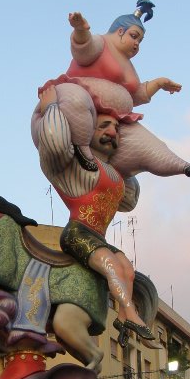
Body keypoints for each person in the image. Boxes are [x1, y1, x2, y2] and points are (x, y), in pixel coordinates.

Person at [32, 0, 190, 184]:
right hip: (72, 101)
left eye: (140, 41)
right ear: (120, 31)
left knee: (145, 140)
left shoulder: (129, 66)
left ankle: (182, 166)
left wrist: (158, 83)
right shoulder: (101, 44)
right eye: (134, 37)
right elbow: (84, 49)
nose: (137, 44)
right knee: (77, 101)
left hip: (114, 120)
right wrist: (81, 30)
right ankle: (83, 150)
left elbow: (136, 95)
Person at [35, 85, 159, 348]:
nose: (112, 132)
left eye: (115, 128)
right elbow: (55, 146)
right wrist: (51, 108)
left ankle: (125, 317)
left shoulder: (113, 173)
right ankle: (131, 314)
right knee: (112, 266)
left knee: (126, 268)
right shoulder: (76, 163)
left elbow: (129, 201)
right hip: (78, 232)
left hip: (98, 237)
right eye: (103, 125)